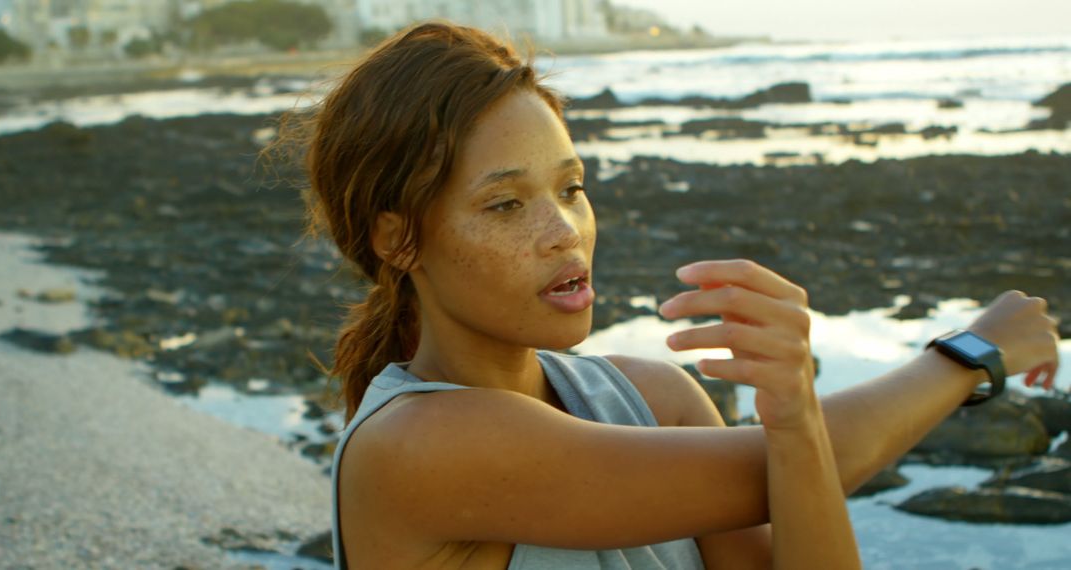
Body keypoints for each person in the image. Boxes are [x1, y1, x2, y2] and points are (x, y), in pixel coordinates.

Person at [275, 21, 1061, 569]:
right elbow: (764, 471)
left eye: (573, 188)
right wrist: (967, 354)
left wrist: (792, 416)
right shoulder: (416, 447)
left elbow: (788, 478)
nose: (564, 232)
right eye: (505, 204)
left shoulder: (654, 395)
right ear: (396, 239)